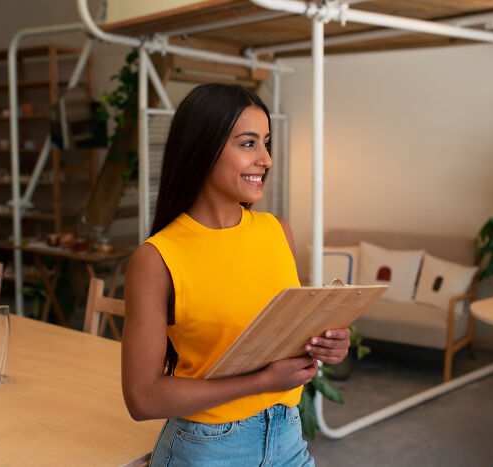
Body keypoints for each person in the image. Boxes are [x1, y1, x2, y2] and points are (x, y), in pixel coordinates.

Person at [122, 83, 350, 466]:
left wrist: (326, 345)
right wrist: (263, 382)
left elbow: (286, 338)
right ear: (202, 149)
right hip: (208, 449)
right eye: (248, 144)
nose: (266, 159)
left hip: (287, 438)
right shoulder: (157, 258)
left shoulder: (278, 231)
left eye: (266, 143)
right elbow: (142, 398)